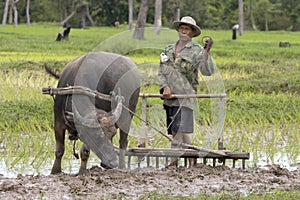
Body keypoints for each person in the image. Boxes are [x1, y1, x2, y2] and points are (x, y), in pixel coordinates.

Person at [158, 16, 215, 167]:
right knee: (179, 132)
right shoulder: (168, 50)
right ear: (178, 30)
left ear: (192, 33)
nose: (184, 31)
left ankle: (172, 163)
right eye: (182, 28)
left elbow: (208, 71)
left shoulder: (196, 51)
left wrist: (207, 52)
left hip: (185, 96)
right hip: (169, 97)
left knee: (178, 131)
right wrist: (165, 87)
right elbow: (161, 71)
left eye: (187, 29)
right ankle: (192, 159)